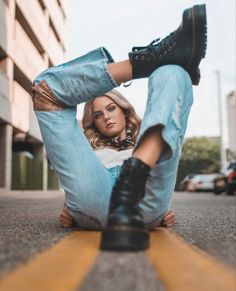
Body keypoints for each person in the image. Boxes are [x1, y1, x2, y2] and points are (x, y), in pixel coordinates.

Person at [31, 4, 207, 251]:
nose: (106, 117)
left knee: (175, 72)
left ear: (124, 110)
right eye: (98, 114)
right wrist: (71, 204)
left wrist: (161, 205)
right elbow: (77, 175)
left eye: (111, 109)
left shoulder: (149, 134)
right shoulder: (87, 148)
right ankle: (147, 60)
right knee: (45, 87)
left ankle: (134, 176)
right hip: (96, 197)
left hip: (142, 198)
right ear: (94, 122)